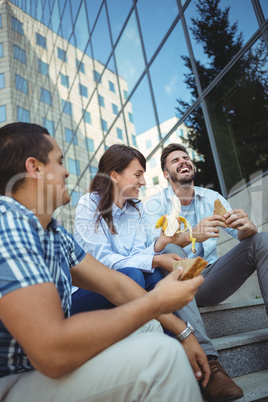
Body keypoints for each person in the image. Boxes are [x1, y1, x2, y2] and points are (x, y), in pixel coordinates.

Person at [0, 123, 205, 402]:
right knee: (163, 357)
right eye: (60, 162)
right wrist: (156, 301)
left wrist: (184, 331)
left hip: (38, 368)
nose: (67, 171)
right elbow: (52, 353)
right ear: (34, 168)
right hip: (13, 380)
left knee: (152, 325)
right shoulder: (8, 221)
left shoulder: (54, 232)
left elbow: (117, 286)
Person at [73, 144, 210, 384]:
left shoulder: (135, 209)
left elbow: (139, 253)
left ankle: (175, 354)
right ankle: (175, 342)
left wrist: (161, 244)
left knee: (152, 275)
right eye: (138, 174)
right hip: (88, 294)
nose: (143, 182)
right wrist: (155, 258)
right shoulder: (88, 204)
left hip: (126, 285)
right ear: (114, 175)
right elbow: (102, 262)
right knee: (134, 276)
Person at [144, 142, 268, 402]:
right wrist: (188, 234)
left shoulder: (212, 198)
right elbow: (150, 250)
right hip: (176, 279)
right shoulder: (154, 205)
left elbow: (241, 236)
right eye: (175, 160)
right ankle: (209, 364)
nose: (183, 161)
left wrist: (248, 226)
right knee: (173, 264)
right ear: (166, 174)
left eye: (186, 157)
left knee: (262, 240)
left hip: (210, 278)